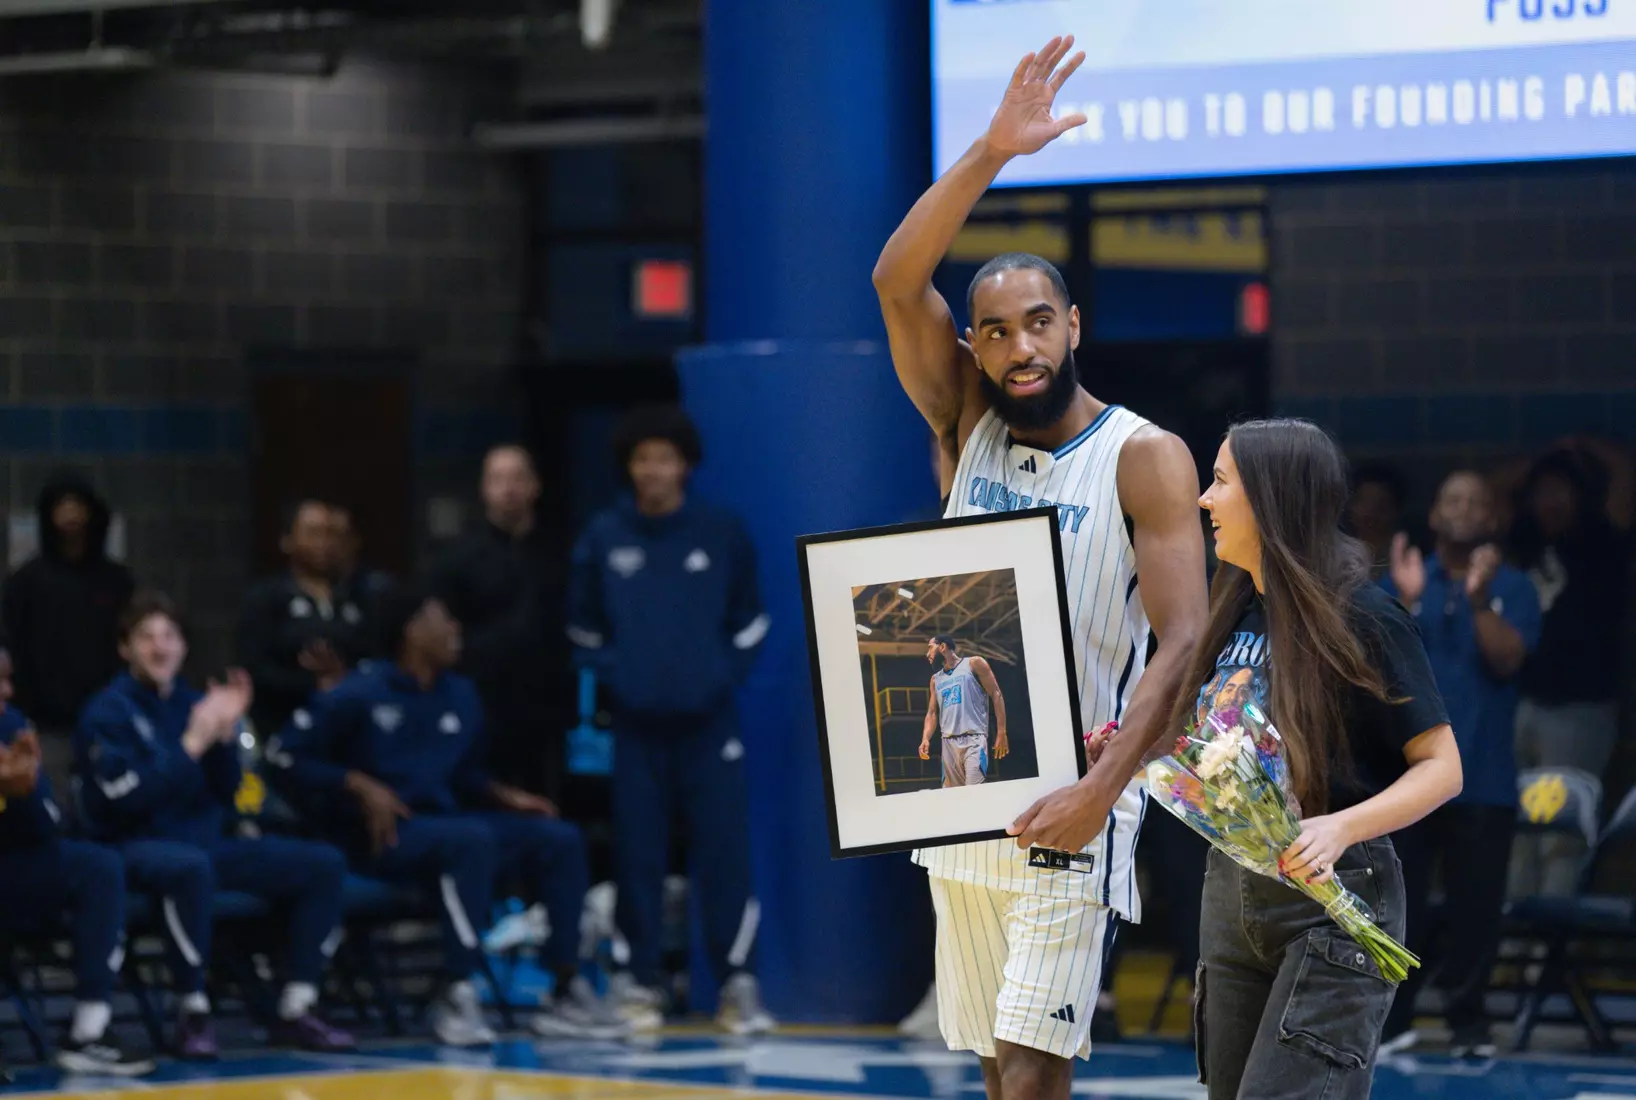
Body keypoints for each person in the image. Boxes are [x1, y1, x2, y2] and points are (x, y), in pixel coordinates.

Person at [871, 35, 1209, 1099]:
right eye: (996, 331)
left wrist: (1098, 792)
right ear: (971, 346)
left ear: (1073, 326)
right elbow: (893, 278)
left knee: (1029, 1071)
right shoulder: (963, 417)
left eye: (1037, 322)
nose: (1020, 346)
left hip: (1077, 791)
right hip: (959, 794)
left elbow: (1185, 640)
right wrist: (987, 151)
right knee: (990, 1065)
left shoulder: (1144, 455)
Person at [1184, 419, 1462, 1098]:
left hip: (1334, 896)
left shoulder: (1365, 616)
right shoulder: (1237, 611)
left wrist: (1341, 827)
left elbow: (1443, 768)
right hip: (1233, 890)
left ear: (1272, 498)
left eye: (1220, 481)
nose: (1203, 499)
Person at [265, 585, 624, 1043]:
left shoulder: (461, 694)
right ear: (412, 630)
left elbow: (462, 775)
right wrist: (354, 783)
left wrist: (503, 794)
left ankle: (565, 987)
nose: (456, 630)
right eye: (445, 620)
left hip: (443, 825)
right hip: (377, 838)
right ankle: (457, 993)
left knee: (557, 837)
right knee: (469, 840)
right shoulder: (359, 692)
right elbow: (284, 759)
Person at [566, 405, 774, 1035]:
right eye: (642, 459)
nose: (653, 470)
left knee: (725, 853)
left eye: (665, 457)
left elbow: (753, 622)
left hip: (711, 726)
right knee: (638, 858)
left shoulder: (720, 532)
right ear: (629, 468)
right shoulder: (604, 537)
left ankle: (737, 984)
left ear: (685, 465)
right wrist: (621, 677)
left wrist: (718, 675)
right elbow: (581, 628)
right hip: (636, 730)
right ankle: (641, 987)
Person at [76, 591, 356, 1059]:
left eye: (169, 636)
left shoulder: (195, 702)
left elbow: (227, 791)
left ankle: (297, 1005)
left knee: (322, 863)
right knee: (189, 868)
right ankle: (193, 1011)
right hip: (136, 844)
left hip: (206, 842)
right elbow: (127, 801)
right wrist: (191, 743)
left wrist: (226, 736)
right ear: (125, 648)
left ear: (184, 647)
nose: (159, 647)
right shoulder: (108, 711)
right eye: (146, 638)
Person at [1379, 471, 1540, 1058]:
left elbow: (1509, 659)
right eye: (1452, 499)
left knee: (1476, 909)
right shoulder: (1410, 582)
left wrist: (1476, 599)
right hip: (1414, 778)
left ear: (1495, 517)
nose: (1465, 509)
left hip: (1485, 777)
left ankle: (1468, 1024)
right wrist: (1412, 601)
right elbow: (1388, 668)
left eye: (1478, 500)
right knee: (1403, 905)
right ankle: (1397, 1023)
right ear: (1435, 515)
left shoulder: (1514, 586)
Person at [0, 638, 152, 1076]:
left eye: (8, 679)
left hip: (14, 866)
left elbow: (46, 823)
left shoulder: (10, 724)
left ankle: (88, 1031)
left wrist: (18, 796)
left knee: (97, 866)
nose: (7, 691)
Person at [1509, 446, 1629, 897]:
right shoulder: (1523, 544)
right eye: (1541, 491)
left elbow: (1622, 473)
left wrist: (1576, 444)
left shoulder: (1603, 544)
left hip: (1579, 708)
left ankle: (1549, 959)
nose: (1550, 500)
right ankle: (1513, 955)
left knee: (1560, 836)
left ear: (1582, 496)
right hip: (1523, 704)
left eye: (1561, 490)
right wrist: (1552, 453)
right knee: (1517, 834)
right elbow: (1496, 489)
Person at [429, 444, 573, 802]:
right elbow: (438, 634)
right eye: (497, 479)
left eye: (517, 478)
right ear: (483, 488)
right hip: (482, 707)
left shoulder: (562, 553)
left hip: (548, 712)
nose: (508, 488)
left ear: (535, 486)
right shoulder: (457, 559)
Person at [1, 475, 135, 805]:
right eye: (62, 506)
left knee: (113, 804)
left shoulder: (116, 581)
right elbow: (12, 645)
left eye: (78, 506)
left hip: (108, 719)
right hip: (47, 724)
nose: (71, 515)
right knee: (55, 804)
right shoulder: (27, 581)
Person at [237, 499, 373, 740]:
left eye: (329, 534)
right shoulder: (266, 599)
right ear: (287, 540)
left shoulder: (359, 598)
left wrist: (343, 679)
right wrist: (314, 683)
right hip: (282, 731)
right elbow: (254, 669)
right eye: (312, 533)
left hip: (347, 735)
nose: (323, 543)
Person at [920, 635, 1007, 787]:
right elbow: (932, 713)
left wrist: (1001, 731)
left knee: (974, 794)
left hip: (973, 740)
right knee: (952, 799)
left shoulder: (974, 663)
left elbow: (996, 694)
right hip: (948, 743)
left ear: (943, 647)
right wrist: (925, 738)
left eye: (930, 647)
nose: (928, 654)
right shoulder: (935, 679)